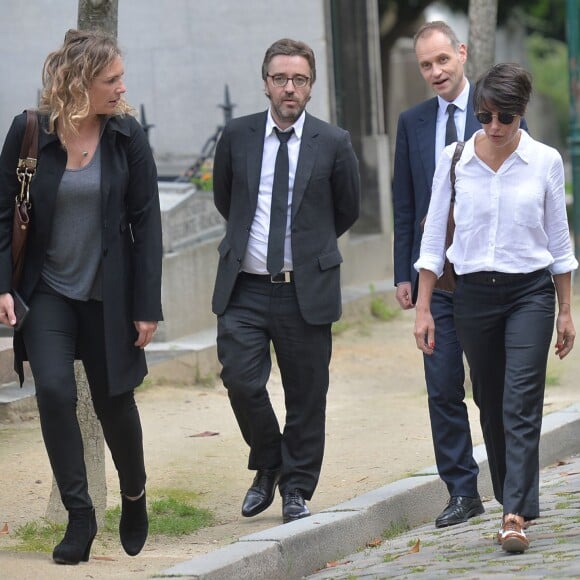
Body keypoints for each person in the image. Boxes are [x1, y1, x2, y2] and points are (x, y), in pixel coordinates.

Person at [0, 29, 163, 564]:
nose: (121, 87)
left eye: (120, 77)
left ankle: (135, 494)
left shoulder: (127, 137)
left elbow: (147, 223)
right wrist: (3, 283)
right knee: (52, 391)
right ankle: (81, 515)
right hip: (46, 291)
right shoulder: (29, 133)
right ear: (78, 83)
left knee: (116, 406)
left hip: (107, 295)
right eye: (110, 79)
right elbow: (4, 215)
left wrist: (146, 306)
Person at [414, 62, 577, 553]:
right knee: (488, 400)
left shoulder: (545, 160)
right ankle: (513, 493)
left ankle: (514, 513)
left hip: (529, 292)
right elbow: (431, 238)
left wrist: (566, 309)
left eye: (505, 117)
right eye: (485, 116)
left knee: (521, 400)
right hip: (472, 296)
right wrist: (423, 307)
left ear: (521, 112)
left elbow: (559, 239)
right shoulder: (455, 159)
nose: (494, 127)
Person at [212, 38, 360, 523]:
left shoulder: (334, 142)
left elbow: (346, 209)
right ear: (266, 83)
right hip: (245, 287)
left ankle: (296, 488)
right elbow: (225, 198)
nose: (289, 88)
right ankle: (269, 462)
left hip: (305, 289)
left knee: (306, 393)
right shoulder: (236, 136)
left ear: (311, 87)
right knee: (240, 379)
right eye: (280, 78)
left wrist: (310, 249)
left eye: (299, 79)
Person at [392, 21, 488, 528]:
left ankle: (513, 489)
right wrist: (403, 271)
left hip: (490, 278)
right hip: (437, 280)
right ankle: (461, 490)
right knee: (442, 385)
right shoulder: (412, 123)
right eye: (426, 65)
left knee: (491, 389)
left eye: (442, 61)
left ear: (462, 54)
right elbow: (404, 202)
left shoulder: (494, 111)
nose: (435, 72)